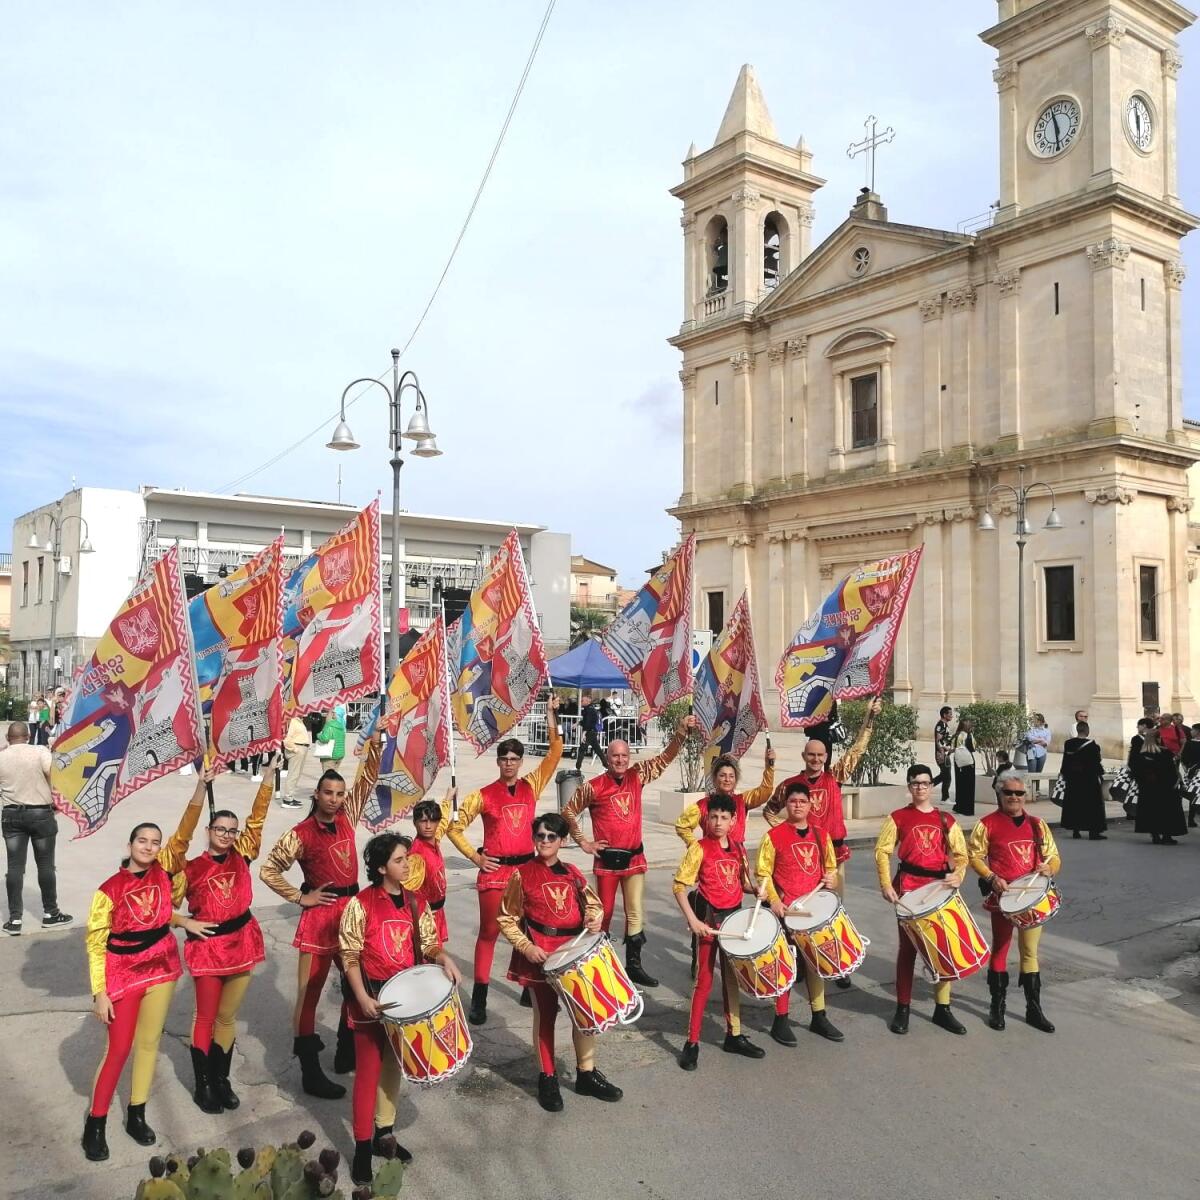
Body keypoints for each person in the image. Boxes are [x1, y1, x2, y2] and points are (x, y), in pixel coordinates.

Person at [80, 822, 215, 1162]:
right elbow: (96, 944)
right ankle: (95, 1123)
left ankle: (136, 1113)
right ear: (130, 844)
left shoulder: (164, 874)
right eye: (142, 840)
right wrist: (100, 992)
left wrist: (183, 922)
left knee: (149, 1043)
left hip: (162, 966)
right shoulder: (108, 889)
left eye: (155, 842)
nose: (149, 847)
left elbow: (162, 909)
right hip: (123, 973)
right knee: (119, 1048)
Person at [260, 731, 383, 1097]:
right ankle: (310, 1072)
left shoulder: (348, 817)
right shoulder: (301, 833)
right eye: (328, 793)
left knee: (354, 985)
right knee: (309, 992)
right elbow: (269, 870)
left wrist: (375, 742)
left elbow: (368, 776)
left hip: (352, 915)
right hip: (319, 918)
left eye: (339, 794)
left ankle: (346, 1052)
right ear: (317, 794)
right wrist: (301, 897)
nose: (334, 799)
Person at [339, 831, 461, 1186]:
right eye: (399, 860)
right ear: (380, 868)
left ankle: (384, 1134)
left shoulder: (416, 902)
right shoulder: (360, 904)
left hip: (404, 1005)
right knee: (367, 1075)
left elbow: (429, 943)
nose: (407, 864)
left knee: (393, 1069)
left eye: (407, 857)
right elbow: (349, 955)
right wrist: (361, 996)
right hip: (370, 1001)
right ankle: (362, 1150)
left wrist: (444, 958)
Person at [159, 766, 272, 1113]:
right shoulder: (189, 867)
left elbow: (258, 817)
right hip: (208, 949)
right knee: (205, 1017)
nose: (226, 835)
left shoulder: (243, 855)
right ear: (209, 831)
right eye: (219, 829)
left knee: (227, 1018)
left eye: (231, 831)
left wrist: (268, 776)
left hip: (242, 942)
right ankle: (203, 1083)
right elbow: (161, 908)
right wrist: (184, 922)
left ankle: (222, 1080)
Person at [447, 695, 562, 1026]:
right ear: (498, 762)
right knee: (489, 933)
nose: (509, 763)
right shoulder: (483, 795)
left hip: (527, 870)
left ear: (521, 762)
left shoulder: (530, 785)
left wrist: (551, 714)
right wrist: (476, 856)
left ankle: (528, 983)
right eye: (504, 759)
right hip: (496, 874)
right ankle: (479, 998)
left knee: (529, 929)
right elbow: (455, 828)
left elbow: (555, 753)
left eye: (514, 758)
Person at [497, 812, 622, 1111]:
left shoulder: (573, 872)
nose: (545, 841)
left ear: (562, 840)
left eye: (551, 836)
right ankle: (548, 1077)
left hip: (574, 952)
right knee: (546, 1018)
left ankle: (586, 1074)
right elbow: (506, 917)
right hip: (541, 954)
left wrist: (594, 919)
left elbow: (593, 904)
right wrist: (526, 947)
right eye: (540, 836)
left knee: (586, 1013)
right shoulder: (521, 874)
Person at [564, 713, 695, 990]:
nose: (620, 760)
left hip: (635, 858)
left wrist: (681, 733)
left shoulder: (638, 775)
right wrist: (584, 842)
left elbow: (664, 758)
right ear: (607, 758)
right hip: (608, 861)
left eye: (624, 755)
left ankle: (633, 966)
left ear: (629, 757)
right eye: (615, 756)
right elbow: (568, 811)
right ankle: (599, 966)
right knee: (605, 914)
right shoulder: (594, 786)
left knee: (635, 912)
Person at [874, 763, 969, 1035]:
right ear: (909, 786)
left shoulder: (946, 819)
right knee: (908, 950)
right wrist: (885, 883)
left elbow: (961, 856)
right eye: (915, 783)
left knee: (943, 948)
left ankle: (943, 1008)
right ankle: (902, 1007)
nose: (920, 787)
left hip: (938, 889)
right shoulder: (897, 818)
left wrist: (958, 876)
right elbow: (882, 852)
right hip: (908, 889)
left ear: (931, 786)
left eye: (925, 783)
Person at [673, 794, 764, 1070]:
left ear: (734, 820)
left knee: (731, 979)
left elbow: (741, 884)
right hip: (708, 919)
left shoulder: (738, 848)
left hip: (733, 921)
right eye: (713, 817)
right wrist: (694, 921)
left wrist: (757, 889)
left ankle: (733, 1035)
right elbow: (679, 886)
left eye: (725, 817)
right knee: (703, 981)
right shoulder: (698, 848)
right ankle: (692, 1042)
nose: (718, 822)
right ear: (706, 819)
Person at [968, 772, 1060, 1033]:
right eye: (1009, 792)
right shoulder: (986, 824)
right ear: (999, 794)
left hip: (1031, 900)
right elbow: (974, 856)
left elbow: (1054, 857)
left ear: (1025, 796)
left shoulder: (1037, 825)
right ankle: (997, 1006)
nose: (1014, 798)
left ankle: (1034, 1009)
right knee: (1000, 950)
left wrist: (1049, 868)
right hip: (1003, 899)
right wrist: (990, 876)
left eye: (1019, 793)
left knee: (1029, 953)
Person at [756, 780, 843, 1046]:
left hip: (813, 912)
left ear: (810, 805)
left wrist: (833, 881)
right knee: (786, 964)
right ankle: (780, 1019)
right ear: (786, 805)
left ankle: (819, 1015)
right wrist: (774, 900)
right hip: (787, 911)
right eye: (793, 801)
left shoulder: (821, 835)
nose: (797, 806)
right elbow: (763, 873)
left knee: (815, 965)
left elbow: (831, 871)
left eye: (802, 802)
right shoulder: (773, 837)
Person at [1, 720, 72, 935]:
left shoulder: (1, 757)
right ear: (28, 737)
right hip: (41, 814)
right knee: (46, 865)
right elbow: (54, 774)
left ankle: (14, 920)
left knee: (14, 867)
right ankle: (51, 914)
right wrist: (56, 799)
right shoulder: (39, 751)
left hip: (12, 816)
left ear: (7, 739)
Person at [674, 746, 776, 846]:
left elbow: (765, 791)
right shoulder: (703, 805)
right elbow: (682, 825)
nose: (727, 780)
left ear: (736, 779)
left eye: (731, 776)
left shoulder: (742, 801)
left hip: (737, 859)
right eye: (722, 776)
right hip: (712, 859)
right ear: (714, 779)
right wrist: (696, 847)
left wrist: (769, 766)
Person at [408, 788, 457, 945]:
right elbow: (410, 893)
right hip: (425, 917)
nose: (428, 826)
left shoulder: (434, 839)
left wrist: (448, 799)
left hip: (438, 912)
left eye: (432, 821)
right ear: (415, 822)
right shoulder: (416, 854)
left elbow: (441, 825)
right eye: (423, 821)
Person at [1130, 726, 1187, 845]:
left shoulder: (1140, 755)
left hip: (1148, 788)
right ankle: (1167, 836)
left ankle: (1155, 835)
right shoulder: (1165, 753)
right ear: (1158, 739)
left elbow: (1135, 771)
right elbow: (1171, 772)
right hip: (1164, 788)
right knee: (1166, 811)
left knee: (1151, 810)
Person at [1060, 722, 1106, 840]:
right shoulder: (1093, 746)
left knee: (1074, 803)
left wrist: (1064, 773)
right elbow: (1096, 762)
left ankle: (1076, 829)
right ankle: (1093, 831)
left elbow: (1065, 760)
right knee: (1092, 805)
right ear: (1087, 731)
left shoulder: (1068, 744)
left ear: (1077, 730)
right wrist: (1101, 774)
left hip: (1073, 778)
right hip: (1089, 779)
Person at [280, 712, 314, 809]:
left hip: (301, 748)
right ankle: (287, 799)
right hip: (297, 748)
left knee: (296, 774)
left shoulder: (299, 720)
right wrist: (296, 749)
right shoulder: (293, 721)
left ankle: (290, 796)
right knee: (293, 774)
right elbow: (286, 739)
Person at [951, 718, 976, 816]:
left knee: (960, 784)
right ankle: (967, 809)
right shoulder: (968, 735)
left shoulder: (957, 735)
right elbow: (973, 748)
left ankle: (959, 806)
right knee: (969, 786)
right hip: (968, 762)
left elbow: (952, 747)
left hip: (958, 761)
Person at [575, 694, 604, 771]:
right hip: (592, 732)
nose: (581, 702)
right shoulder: (589, 709)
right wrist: (577, 723)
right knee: (598, 750)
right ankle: (607, 765)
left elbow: (588, 723)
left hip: (590, 732)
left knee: (582, 749)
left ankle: (577, 767)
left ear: (588, 701)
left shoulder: (589, 710)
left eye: (582, 700)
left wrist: (584, 733)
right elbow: (585, 721)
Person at [932, 705, 954, 804]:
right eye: (950, 714)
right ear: (944, 715)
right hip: (942, 754)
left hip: (945, 754)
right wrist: (942, 752)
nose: (952, 716)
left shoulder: (945, 725)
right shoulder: (941, 725)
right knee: (947, 776)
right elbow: (938, 740)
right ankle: (945, 799)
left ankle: (927, 786)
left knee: (944, 775)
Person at [316, 705, 347, 771]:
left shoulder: (329, 725)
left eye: (328, 714)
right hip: (339, 755)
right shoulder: (341, 726)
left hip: (330, 756)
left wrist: (318, 735)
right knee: (334, 776)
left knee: (328, 777)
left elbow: (325, 738)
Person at [1180, 725, 1200, 829]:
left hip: (1193, 771)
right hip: (1192, 772)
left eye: (1193, 730)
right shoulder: (1189, 743)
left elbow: (1184, 759)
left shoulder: (1189, 743)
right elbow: (1183, 759)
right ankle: (1191, 819)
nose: (1191, 731)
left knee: (1194, 794)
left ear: (1197, 732)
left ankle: (1191, 819)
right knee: (1193, 794)